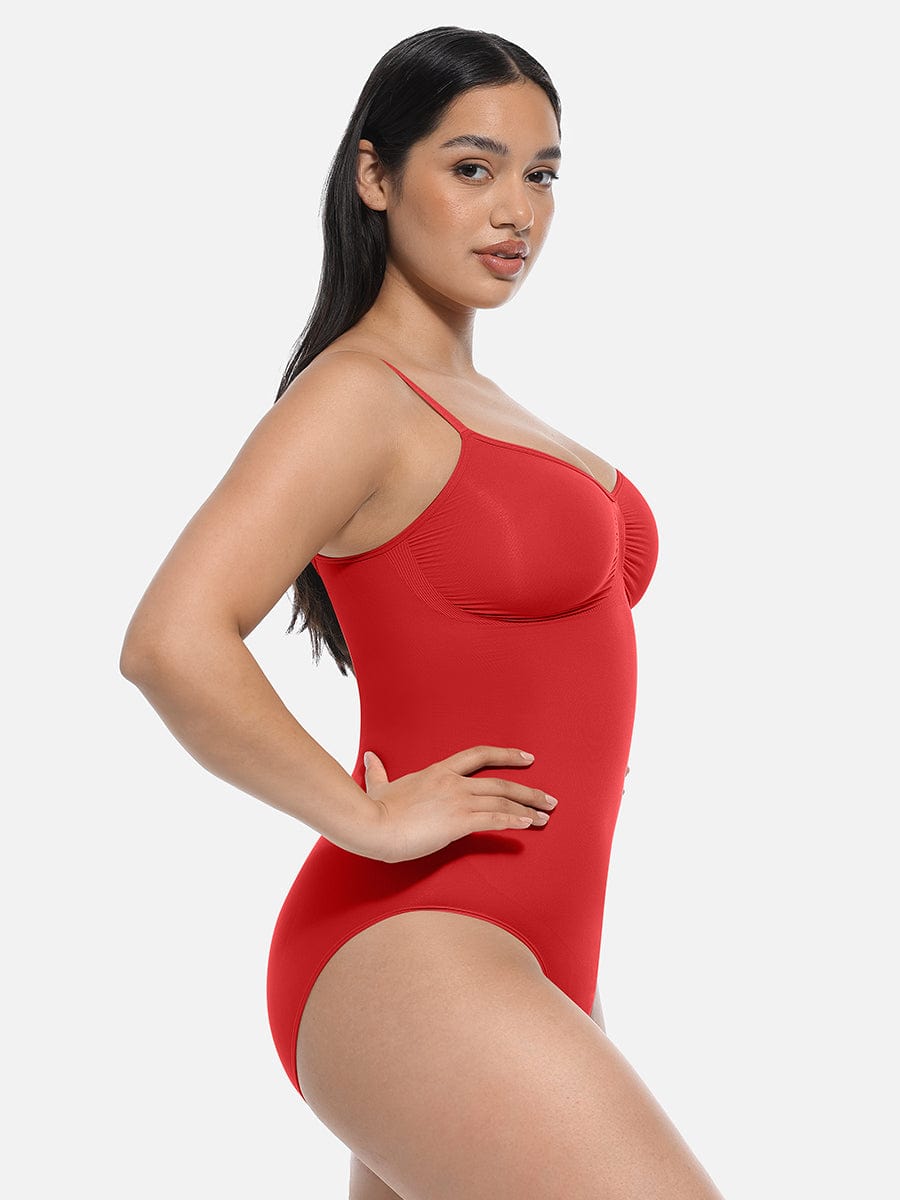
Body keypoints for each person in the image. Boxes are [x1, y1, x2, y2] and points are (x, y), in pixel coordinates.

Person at [120, 25, 725, 1200]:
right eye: (472, 167)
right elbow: (169, 641)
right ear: (375, 175)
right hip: (418, 946)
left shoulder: (483, 401)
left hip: (534, 956)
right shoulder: (358, 397)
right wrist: (363, 816)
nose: (516, 212)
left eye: (541, 174)